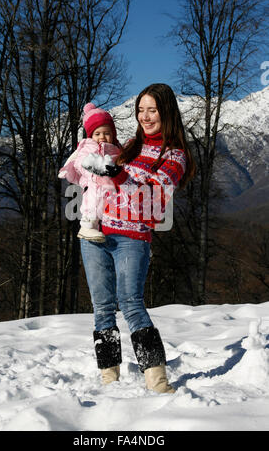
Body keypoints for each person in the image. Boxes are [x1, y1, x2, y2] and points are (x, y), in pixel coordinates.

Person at [80, 83, 196, 393]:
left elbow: (153, 205)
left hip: (133, 239)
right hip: (96, 234)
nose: (145, 116)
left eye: (152, 110)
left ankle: (157, 381)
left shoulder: (175, 155)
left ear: (166, 112)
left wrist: (114, 174)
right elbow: (100, 177)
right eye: (140, 110)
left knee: (131, 304)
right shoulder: (129, 145)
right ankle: (109, 380)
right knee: (102, 308)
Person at [58, 103, 122, 242]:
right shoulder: (88, 146)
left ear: (113, 134)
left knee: (110, 202)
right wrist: (96, 168)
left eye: (107, 133)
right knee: (93, 200)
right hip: (92, 181)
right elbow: (80, 162)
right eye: (97, 134)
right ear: (91, 135)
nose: (102, 137)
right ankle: (87, 225)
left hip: (110, 186)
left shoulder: (116, 148)